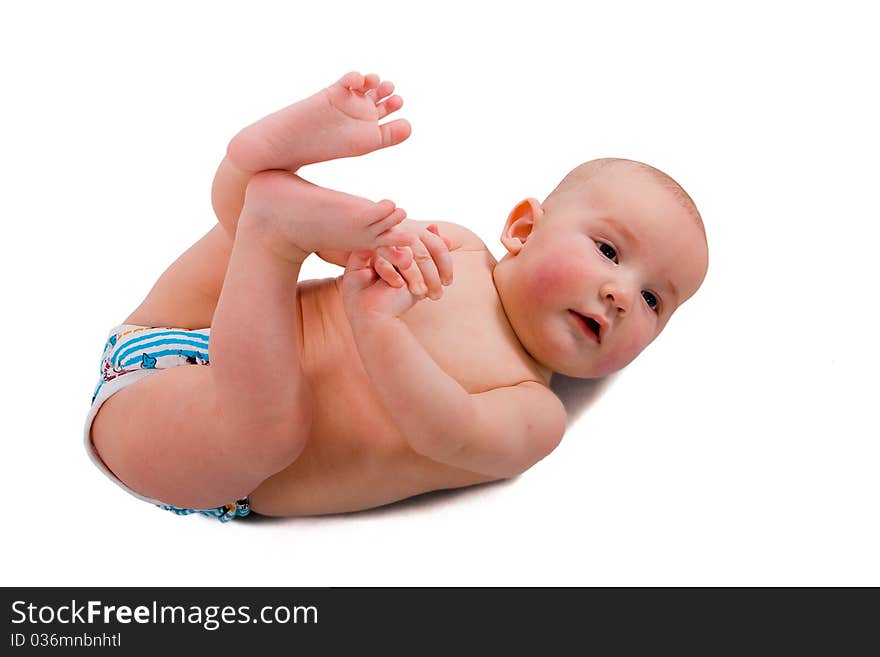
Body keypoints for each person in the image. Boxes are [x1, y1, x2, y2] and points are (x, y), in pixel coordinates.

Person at [84, 71, 709, 522]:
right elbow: (356, 250)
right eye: (608, 251)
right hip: (188, 325)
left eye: (656, 301)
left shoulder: (533, 411)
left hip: (211, 458)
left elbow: (446, 432)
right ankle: (262, 169)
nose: (623, 294)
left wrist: (377, 325)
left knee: (270, 428)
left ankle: (272, 219)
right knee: (251, 226)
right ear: (522, 230)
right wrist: (356, 244)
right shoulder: (458, 249)